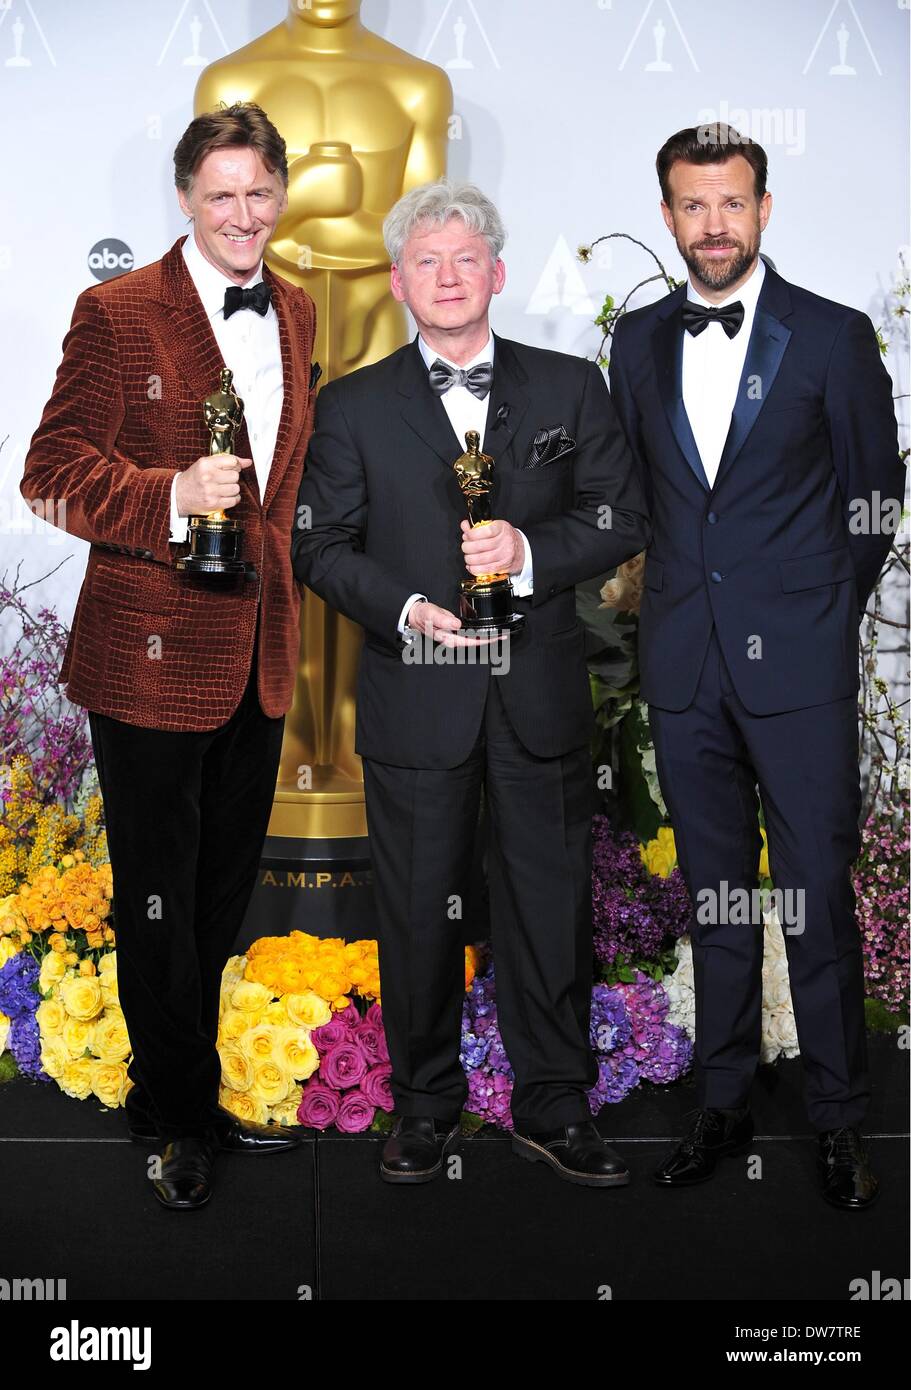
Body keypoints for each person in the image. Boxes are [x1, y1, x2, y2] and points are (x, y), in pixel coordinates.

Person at [291, 178, 651, 1186]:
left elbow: (623, 515)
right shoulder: (352, 405)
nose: (447, 278)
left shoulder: (569, 386)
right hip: (417, 689)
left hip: (535, 691)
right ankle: (422, 1105)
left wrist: (529, 550)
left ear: (494, 273)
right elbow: (317, 546)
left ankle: (552, 1103)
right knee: (414, 909)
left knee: (547, 902)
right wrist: (405, 607)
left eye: (465, 260)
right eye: (425, 262)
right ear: (398, 281)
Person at [21, 102, 321, 1211]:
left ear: (280, 194)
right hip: (147, 654)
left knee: (215, 888)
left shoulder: (295, 309)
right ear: (186, 201)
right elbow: (49, 472)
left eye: (259, 193)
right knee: (155, 890)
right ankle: (180, 1118)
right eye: (220, 196)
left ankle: (175, 1089)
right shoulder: (117, 310)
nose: (242, 214)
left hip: (258, 653)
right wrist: (166, 495)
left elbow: (289, 485)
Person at [608, 123, 904, 1209]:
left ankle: (836, 1117)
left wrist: (822, 617)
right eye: (692, 206)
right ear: (668, 216)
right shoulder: (634, 343)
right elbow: (639, 501)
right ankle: (721, 1100)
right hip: (684, 664)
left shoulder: (830, 336)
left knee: (815, 899)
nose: (713, 225)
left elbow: (875, 497)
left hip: (799, 674)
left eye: (730, 203)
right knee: (718, 896)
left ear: (763, 208)